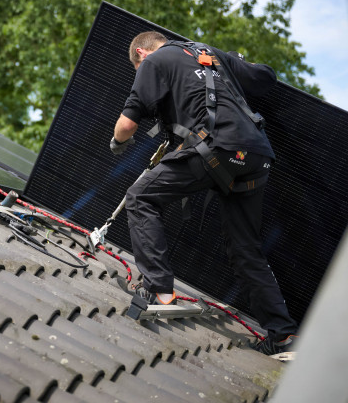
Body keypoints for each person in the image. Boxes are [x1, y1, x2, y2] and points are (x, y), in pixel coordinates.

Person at [110, 30, 298, 359]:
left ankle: (157, 288)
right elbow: (265, 77)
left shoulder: (153, 62)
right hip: (255, 156)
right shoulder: (210, 54)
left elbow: (127, 125)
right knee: (246, 249)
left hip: (216, 149)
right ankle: (282, 337)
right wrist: (238, 59)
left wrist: (118, 142)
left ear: (141, 52)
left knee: (141, 197)